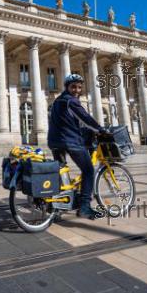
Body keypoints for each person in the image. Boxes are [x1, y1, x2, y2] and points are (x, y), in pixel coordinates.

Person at [48, 73, 107, 220]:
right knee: (88, 171)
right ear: (67, 87)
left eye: (79, 87)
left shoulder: (57, 101)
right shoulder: (70, 101)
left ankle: (56, 203)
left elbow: (67, 122)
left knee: (61, 171)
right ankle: (85, 207)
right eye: (73, 87)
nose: (77, 90)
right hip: (69, 142)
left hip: (55, 142)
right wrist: (100, 129)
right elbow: (85, 117)